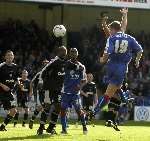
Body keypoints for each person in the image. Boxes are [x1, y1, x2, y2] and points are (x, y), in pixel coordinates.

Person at [94, 21, 143, 118]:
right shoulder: (129, 38)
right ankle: (125, 100)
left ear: (113, 29)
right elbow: (140, 50)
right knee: (110, 91)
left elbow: (107, 52)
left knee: (111, 91)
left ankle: (94, 112)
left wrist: (102, 59)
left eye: (110, 29)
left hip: (111, 66)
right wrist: (137, 61)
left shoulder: (111, 38)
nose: (110, 32)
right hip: (122, 68)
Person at [60, 48, 88, 135]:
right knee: (63, 110)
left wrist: (80, 86)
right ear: (69, 54)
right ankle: (64, 129)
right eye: (72, 53)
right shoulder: (67, 64)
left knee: (79, 111)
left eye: (75, 53)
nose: (73, 54)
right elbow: (68, 68)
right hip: (65, 92)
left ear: (77, 54)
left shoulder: (82, 67)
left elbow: (85, 80)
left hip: (75, 94)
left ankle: (84, 127)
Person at [0, 50, 20, 131]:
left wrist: (18, 82)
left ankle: (2, 126)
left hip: (8, 93)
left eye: (11, 55)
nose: (9, 57)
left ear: (13, 57)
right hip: (0, 91)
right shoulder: (1, 66)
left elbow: (16, 78)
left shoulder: (15, 67)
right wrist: (2, 85)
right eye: (8, 55)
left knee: (13, 111)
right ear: (5, 57)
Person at [29, 59, 49, 129]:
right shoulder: (39, 73)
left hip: (48, 93)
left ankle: (32, 120)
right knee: (44, 108)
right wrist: (31, 91)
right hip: (40, 93)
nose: (46, 65)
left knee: (40, 108)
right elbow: (31, 82)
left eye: (47, 63)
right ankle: (42, 125)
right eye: (44, 63)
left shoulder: (51, 73)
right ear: (43, 65)